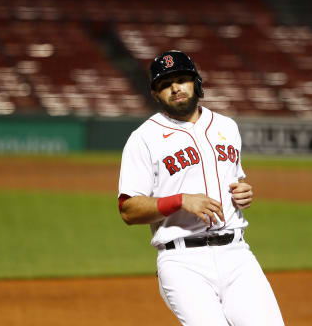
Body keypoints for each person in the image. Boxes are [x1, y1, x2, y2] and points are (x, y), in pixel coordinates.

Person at [118, 50, 284, 326]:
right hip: (183, 262)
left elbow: (236, 178)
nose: (175, 88)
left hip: (237, 255)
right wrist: (180, 200)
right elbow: (128, 209)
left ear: (196, 82)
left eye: (182, 79)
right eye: (165, 84)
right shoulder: (144, 138)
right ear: (156, 94)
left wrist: (243, 190)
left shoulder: (226, 126)